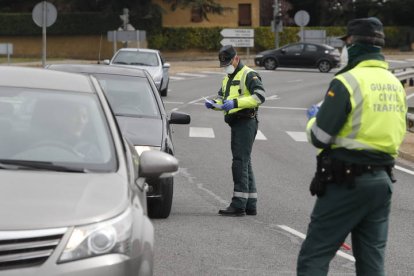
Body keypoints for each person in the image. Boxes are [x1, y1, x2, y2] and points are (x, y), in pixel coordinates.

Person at [297, 17, 407, 275]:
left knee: (314, 255)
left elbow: (320, 137)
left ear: (354, 45)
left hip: (346, 180)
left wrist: (313, 117)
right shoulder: (395, 84)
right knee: (371, 263)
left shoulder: (347, 81)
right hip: (382, 182)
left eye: (346, 43)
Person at [204, 45, 266, 216]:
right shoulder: (228, 78)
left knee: (239, 163)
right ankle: (250, 203)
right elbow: (223, 99)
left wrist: (236, 103)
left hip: (246, 121)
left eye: (228, 63)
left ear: (236, 58)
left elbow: (260, 96)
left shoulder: (248, 74)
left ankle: (238, 204)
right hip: (237, 122)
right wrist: (214, 104)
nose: (226, 66)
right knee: (245, 161)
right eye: (223, 64)